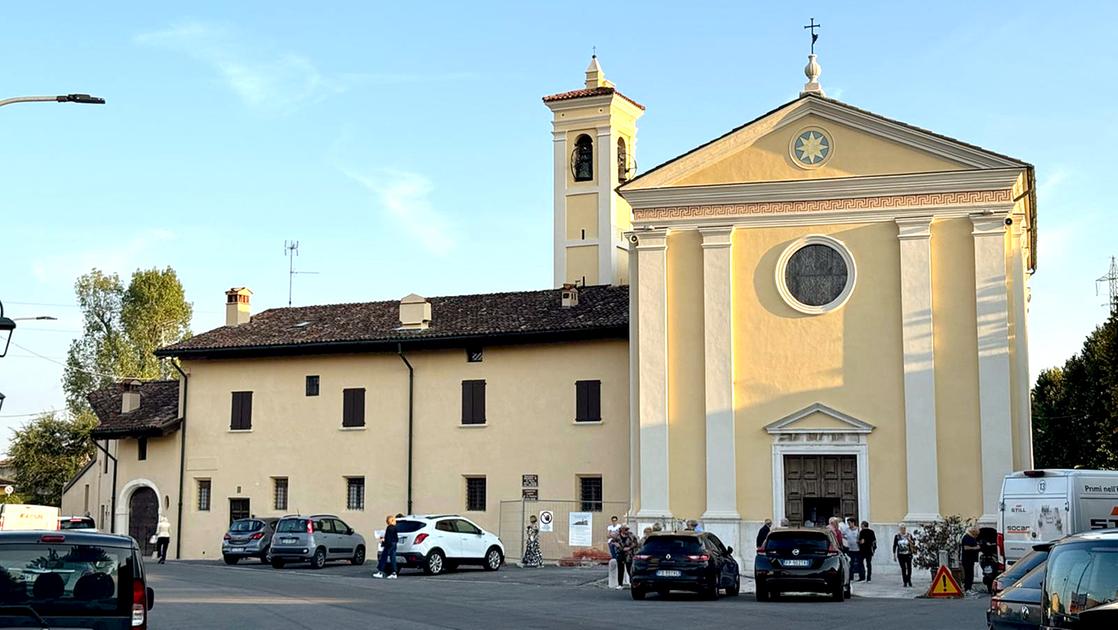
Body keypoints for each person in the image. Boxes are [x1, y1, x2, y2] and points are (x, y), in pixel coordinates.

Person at [373, 515, 399, 579]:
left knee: (383, 557)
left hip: (389, 544)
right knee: (393, 558)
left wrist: (383, 541)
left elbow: (388, 538)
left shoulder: (389, 528)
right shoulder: (395, 528)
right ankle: (394, 573)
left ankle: (380, 572)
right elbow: (396, 538)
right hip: (394, 544)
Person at [614, 525, 639, 589]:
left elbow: (636, 543)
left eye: (628, 529)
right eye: (626, 529)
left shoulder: (631, 535)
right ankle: (620, 584)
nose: (627, 530)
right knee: (620, 570)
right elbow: (614, 543)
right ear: (622, 529)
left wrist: (629, 548)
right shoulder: (617, 536)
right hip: (620, 554)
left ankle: (632, 583)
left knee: (629, 569)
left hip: (629, 555)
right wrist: (620, 547)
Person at [843, 517, 864, 581]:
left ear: (853, 523)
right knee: (851, 563)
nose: (849, 525)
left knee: (860, 563)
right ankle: (851, 577)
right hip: (850, 549)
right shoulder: (847, 530)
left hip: (858, 549)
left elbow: (861, 538)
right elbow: (843, 535)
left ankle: (862, 576)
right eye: (848, 523)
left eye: (849, 523)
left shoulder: (858, 530)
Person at [961, 526, 981, 591]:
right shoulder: (967, 537)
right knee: (968, 575)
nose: (977, 536)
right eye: (976, 534)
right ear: (973, 533)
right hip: (967, 559)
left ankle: (969, 588)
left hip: (971, 559)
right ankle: (967, 589)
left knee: (970, 574)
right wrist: (975, 548)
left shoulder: (972, 538)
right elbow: (966, 548)